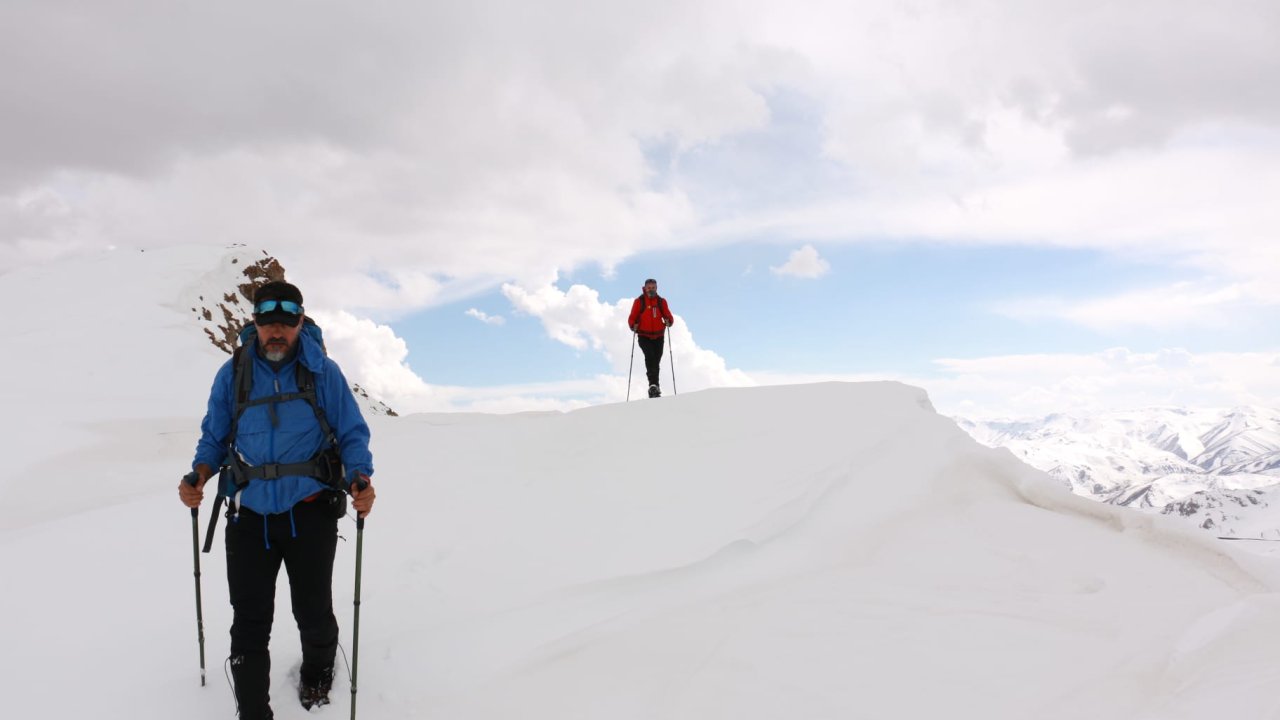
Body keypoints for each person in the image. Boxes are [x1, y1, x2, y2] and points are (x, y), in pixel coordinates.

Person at [178, 281, 376, 719]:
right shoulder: (233, 375)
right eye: (268, 322)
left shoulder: (323, 372)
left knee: (312, 610)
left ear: (301, 321)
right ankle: (253, 711)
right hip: (249, 517)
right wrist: (200, 474)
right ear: (255, 322)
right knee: (248, 621)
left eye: (287, 322)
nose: (277, 331)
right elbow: (214, 436)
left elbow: (351, 434)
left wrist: (359, 477)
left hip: (309, 513)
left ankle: (319, 671)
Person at [627, 278, 675, 398]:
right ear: (645, 288)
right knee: (650, 357)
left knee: (656, 361)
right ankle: (653, 385)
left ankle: (655, 388)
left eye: (653, 288)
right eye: (649, 288)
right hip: (644, 335)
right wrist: (633, 325)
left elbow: (668, 315)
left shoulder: (661, 301)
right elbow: (632, 317)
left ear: (656, 288)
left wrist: (669, 321)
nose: (651, 290)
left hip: (659, 336)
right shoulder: (639, 301)